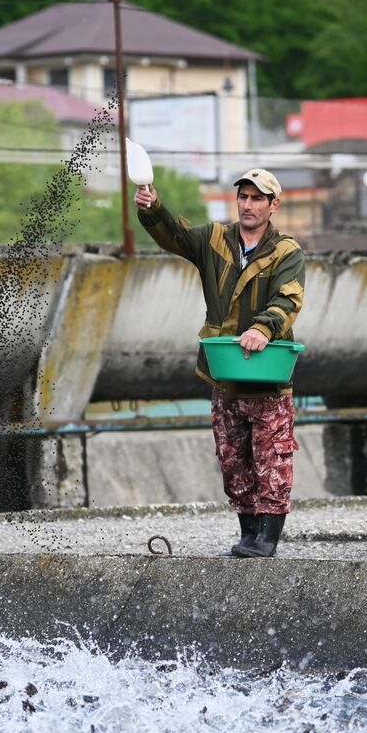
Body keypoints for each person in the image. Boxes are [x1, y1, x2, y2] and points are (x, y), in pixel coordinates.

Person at [134, 168, 306, 558]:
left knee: (272, 459)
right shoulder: (214, 239)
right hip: (224, 372)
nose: (248, 205)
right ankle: (248, 535)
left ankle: (267, 540)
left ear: (273, 205)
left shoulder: (286, 252)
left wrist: (264, 328)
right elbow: (175, 236)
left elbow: (289, 298)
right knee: (232, 458)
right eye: (243, 197)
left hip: (266, 374)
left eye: (257, 198)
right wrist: (153, 208)